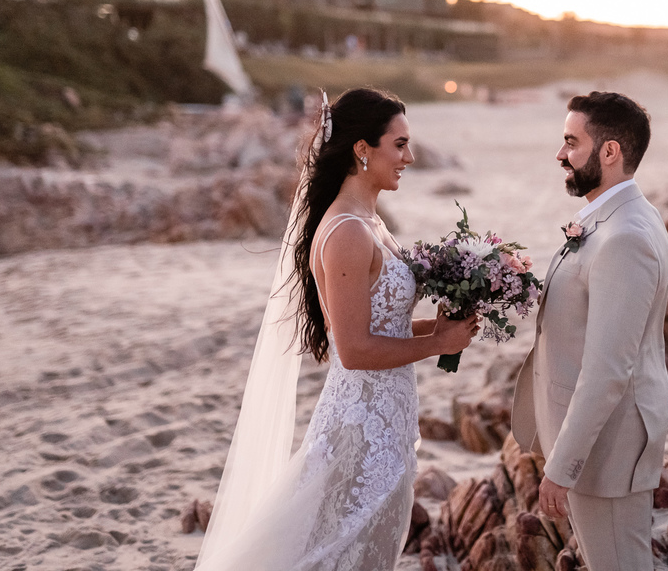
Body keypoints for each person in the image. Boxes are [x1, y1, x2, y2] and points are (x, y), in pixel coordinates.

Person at [195, 87, 479, 571]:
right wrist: (437, 343)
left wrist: (441, 326)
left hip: (387, 419)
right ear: (362, 149)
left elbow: (380, 322)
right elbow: (354, 349)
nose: (409, 158)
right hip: (359, 427)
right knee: (338, 553)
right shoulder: (347, 231)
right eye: (400, 145)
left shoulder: (371, 222)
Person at [511, 91, 668, 571]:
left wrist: (563, 468)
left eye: (571, 142)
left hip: (608, 451)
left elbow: (607, 371)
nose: (560, 154)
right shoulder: (620, 218)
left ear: (610, 152)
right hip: (600, 442)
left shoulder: (624, 238)